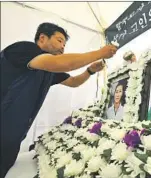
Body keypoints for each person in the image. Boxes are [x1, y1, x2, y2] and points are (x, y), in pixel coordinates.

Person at [0, 22, 118, 178]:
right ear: (42, 38)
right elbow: (64, 63)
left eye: (64, 43)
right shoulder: (25, 49)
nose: (63, 47)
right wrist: (100, 52)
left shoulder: (49, 70)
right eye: (59, 40)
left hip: (12, 137)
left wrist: (90, 71)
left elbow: (74, 82)